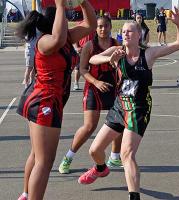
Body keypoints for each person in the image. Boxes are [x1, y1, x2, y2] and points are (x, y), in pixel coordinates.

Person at [78, 7, 179, 200]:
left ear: (139, 35)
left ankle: (134, 196)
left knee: (127, 154)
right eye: (123, 32)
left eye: (130, 31)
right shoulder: (117, 52)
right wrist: (107, 57)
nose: (125, 33)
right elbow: (93, 59)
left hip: (138, 109)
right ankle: (101, 169)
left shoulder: (148, 55)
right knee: (94, 150)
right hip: (119, 107)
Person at [16, 0, 97, 199]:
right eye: (64, 20)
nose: (68, 23)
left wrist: (83, 2)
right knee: (44, 162)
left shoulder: (66, 38)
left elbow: (91, 25)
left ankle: (26, 194)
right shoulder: (45, 41)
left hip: (47, 101)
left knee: (37, 156)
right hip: (45, 102)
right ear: (56, 23)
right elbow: (58, 39)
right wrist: (61, 5)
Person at [59, 15, 123, 175]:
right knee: (89, 127)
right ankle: (68, 157)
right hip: (94, 86)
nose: (103, 29)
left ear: (110, 27)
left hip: (113, 86)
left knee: (119, 124)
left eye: (106, 26)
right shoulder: (89, 45)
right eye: (100, 26)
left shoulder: (117, 45)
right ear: (96, 28)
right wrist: (96, 82)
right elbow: (83, 70)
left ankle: (115, 157)